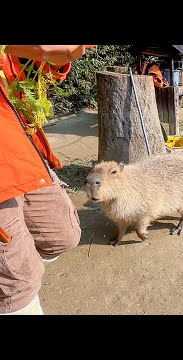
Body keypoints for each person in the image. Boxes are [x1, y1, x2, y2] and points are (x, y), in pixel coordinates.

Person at [0, 45, 94, 315]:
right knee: (17, 283)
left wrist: (56, 59)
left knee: (62, 236)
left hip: (22, 143)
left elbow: (40, 75)